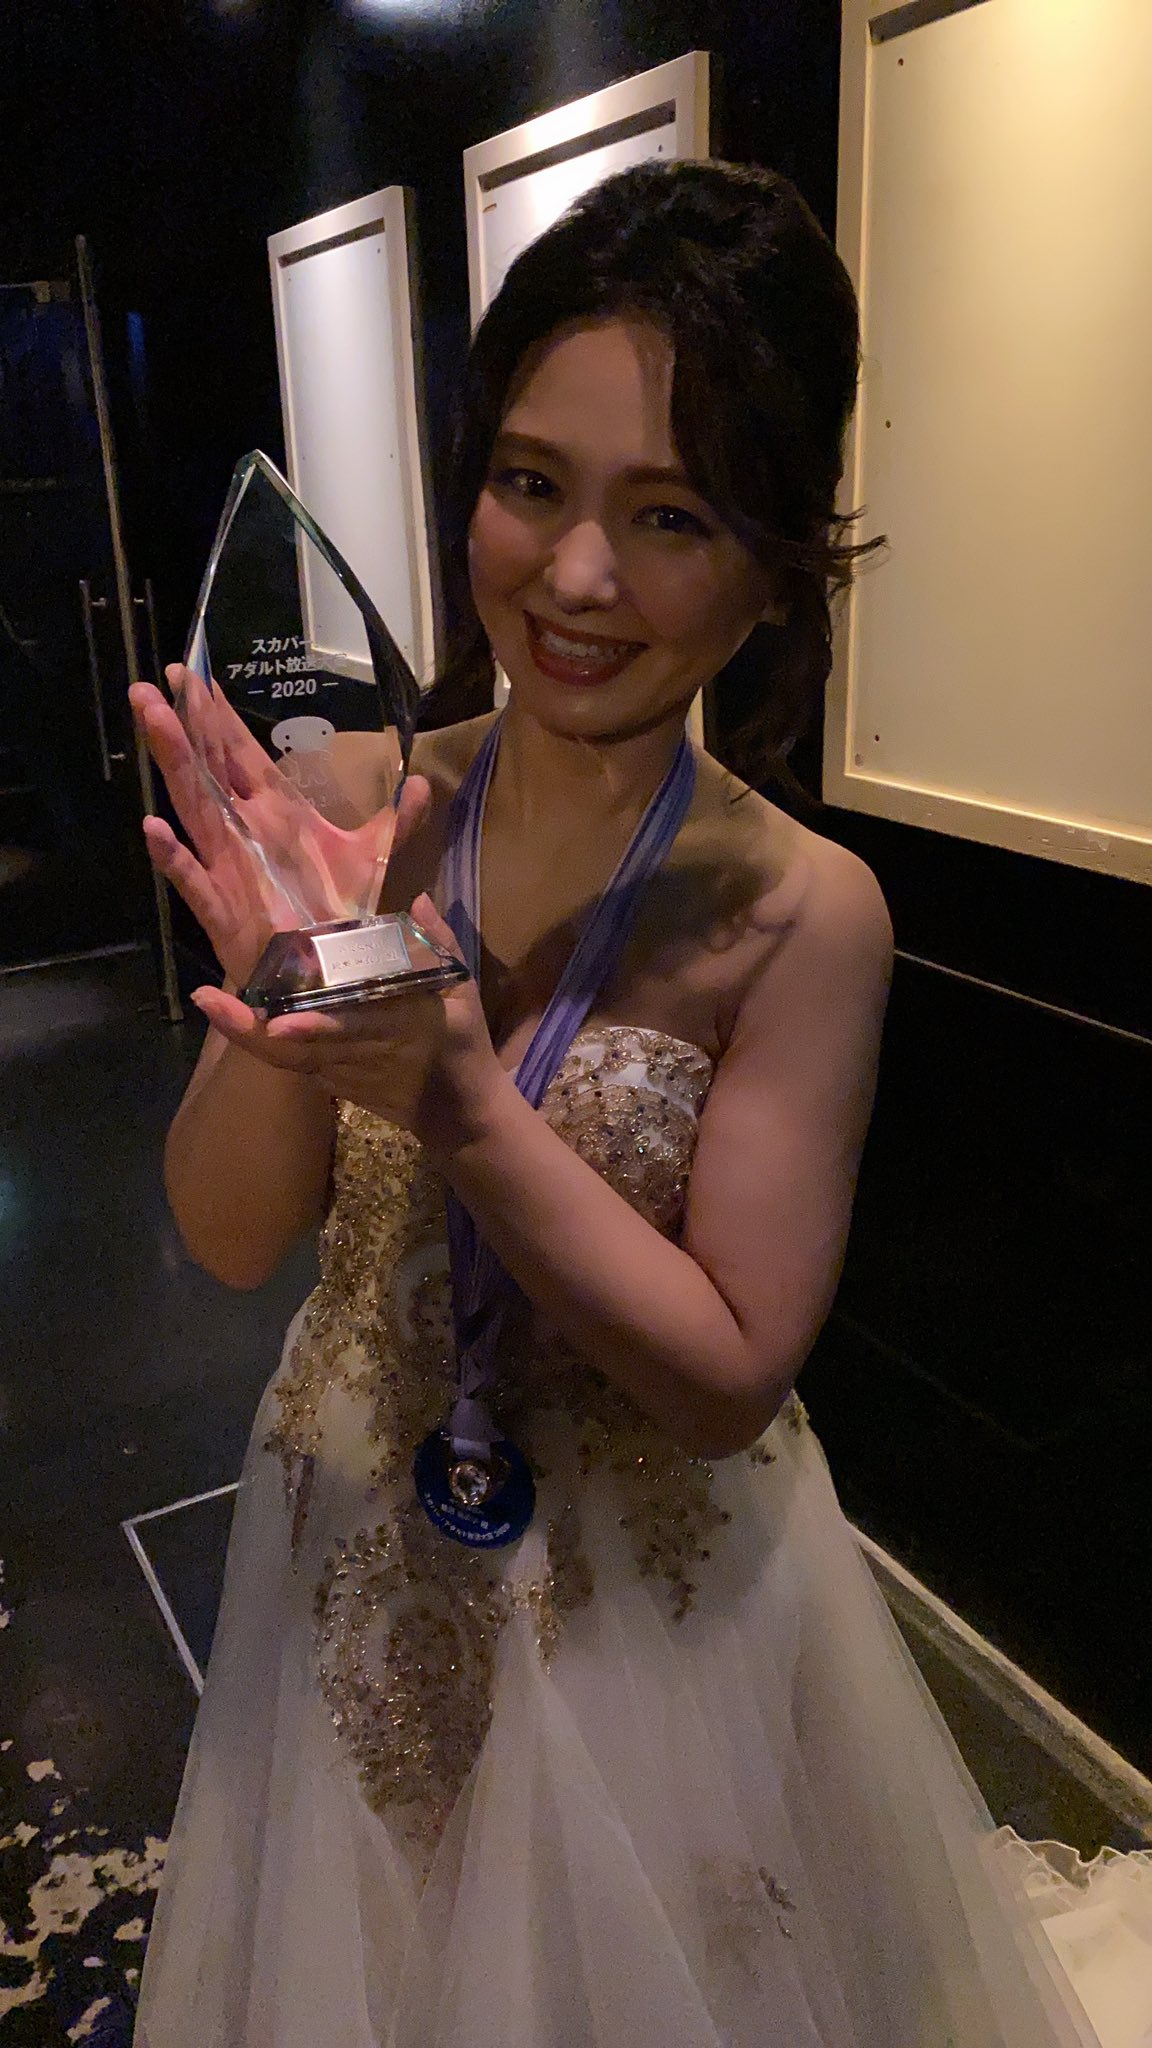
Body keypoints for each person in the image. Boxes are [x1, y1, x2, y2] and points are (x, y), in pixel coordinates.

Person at [130, 161, 1143, 2047]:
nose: (577, 576)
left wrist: (457, 1101)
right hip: (352, 1551)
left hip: (656, 1631)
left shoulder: (804, 910)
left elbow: (729, 1372)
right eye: (530, 484)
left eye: (669, 515)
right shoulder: (364, 798)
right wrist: (290, 998)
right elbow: (232, 1234)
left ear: (776, 560)